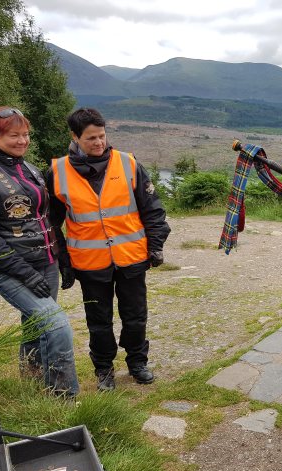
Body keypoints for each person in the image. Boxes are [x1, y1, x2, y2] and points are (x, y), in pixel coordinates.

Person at [47, 108, 170, 391]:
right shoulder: (57, 172)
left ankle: (137, 362)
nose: (99, 142)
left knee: (135, 315)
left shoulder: (128, 164)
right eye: (91, 138)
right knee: (98, 321)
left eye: (102, 136)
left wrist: (155, 245)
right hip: (90, 263)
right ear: (74, 137)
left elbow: (153, 209)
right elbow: (51, 224)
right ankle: (103, 369)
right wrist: (63, 261)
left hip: (132, 257)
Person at [0, 106, 79, 397]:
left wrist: (63, 258)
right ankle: (63, 398)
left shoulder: (29, 169)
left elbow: (45, 219)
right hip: (10, 269)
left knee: (35, 326)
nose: (22, 140)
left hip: (45, 263)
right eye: (13, 135)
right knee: (56, 325)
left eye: (25, 134)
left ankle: (33, 385)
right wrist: (24, 272)